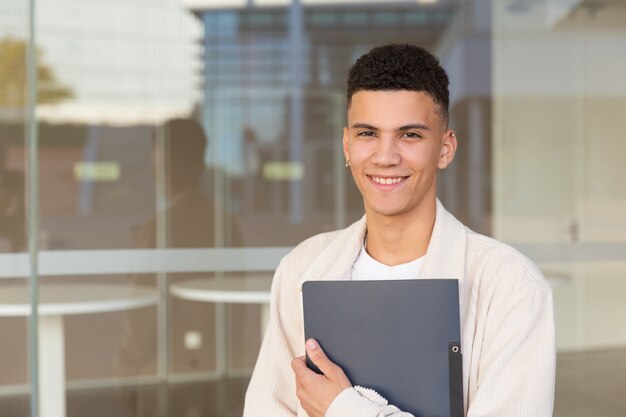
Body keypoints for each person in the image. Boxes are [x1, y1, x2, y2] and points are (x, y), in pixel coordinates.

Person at [243, 44, 555, 417]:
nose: (385, 156)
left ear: (445, 148)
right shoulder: (302, 267)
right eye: (368, 134)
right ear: (346, 145)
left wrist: (343, 408)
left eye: (409, 135)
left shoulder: (512, 287)